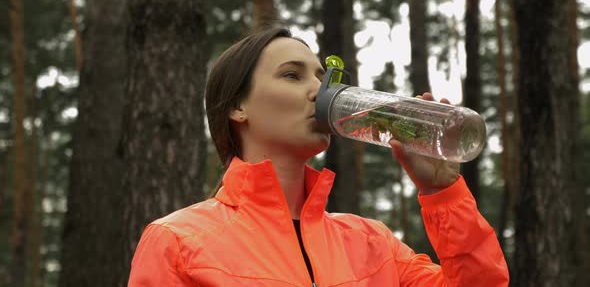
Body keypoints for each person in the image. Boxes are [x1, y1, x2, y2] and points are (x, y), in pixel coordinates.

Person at [128, 26, 509, 286]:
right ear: (237, 107)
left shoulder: (373, 243)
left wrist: (442, 192)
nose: (318, 90)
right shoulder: (179, 241)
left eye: (321, 77)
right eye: (292, 76)